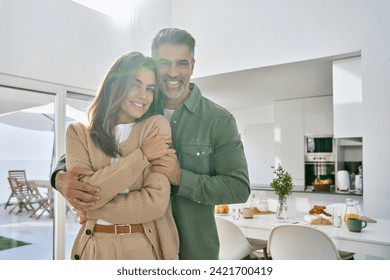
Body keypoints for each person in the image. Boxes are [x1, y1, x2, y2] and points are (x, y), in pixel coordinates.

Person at [51, 28, 250, 260]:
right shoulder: (138, 107)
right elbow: (88, 150)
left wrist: (181, 178)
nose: (173, 72)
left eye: (182, 64)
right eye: (164, 63)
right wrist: (57, 178)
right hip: (143, 247)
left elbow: (239, 188)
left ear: (193, 66)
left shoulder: (218, 120)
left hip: (194, 250)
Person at [64, 51, 179, 260]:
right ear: (114, 85)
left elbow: (154, 203)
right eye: (135, 84)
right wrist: (142, 156)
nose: (144, 96)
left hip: (143, 246)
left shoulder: (156, 127)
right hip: (95, 249)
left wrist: (91, 210)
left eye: (150, 88)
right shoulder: (78, 134)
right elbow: (83, 192)